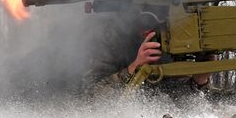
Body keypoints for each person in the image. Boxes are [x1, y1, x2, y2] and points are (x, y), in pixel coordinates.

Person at [81, 23, 213, 96]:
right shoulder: (109, 37)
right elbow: (91, 95)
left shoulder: (172, 39)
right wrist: (134, 67)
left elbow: (177, 96)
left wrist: (199, 81)